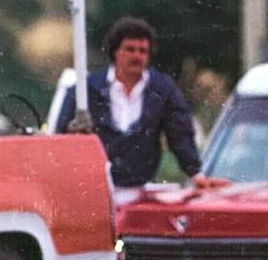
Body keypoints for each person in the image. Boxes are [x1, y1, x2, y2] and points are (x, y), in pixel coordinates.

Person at [56, 17, 223, 189]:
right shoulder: (86, 89)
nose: (136, 56)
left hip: (140, 189)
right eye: (130, 49)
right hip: (92, 188)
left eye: (142, 51)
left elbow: (180, 135)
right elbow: (61, 135)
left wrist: (196, 174)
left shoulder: (163, 89)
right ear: (115, 51)